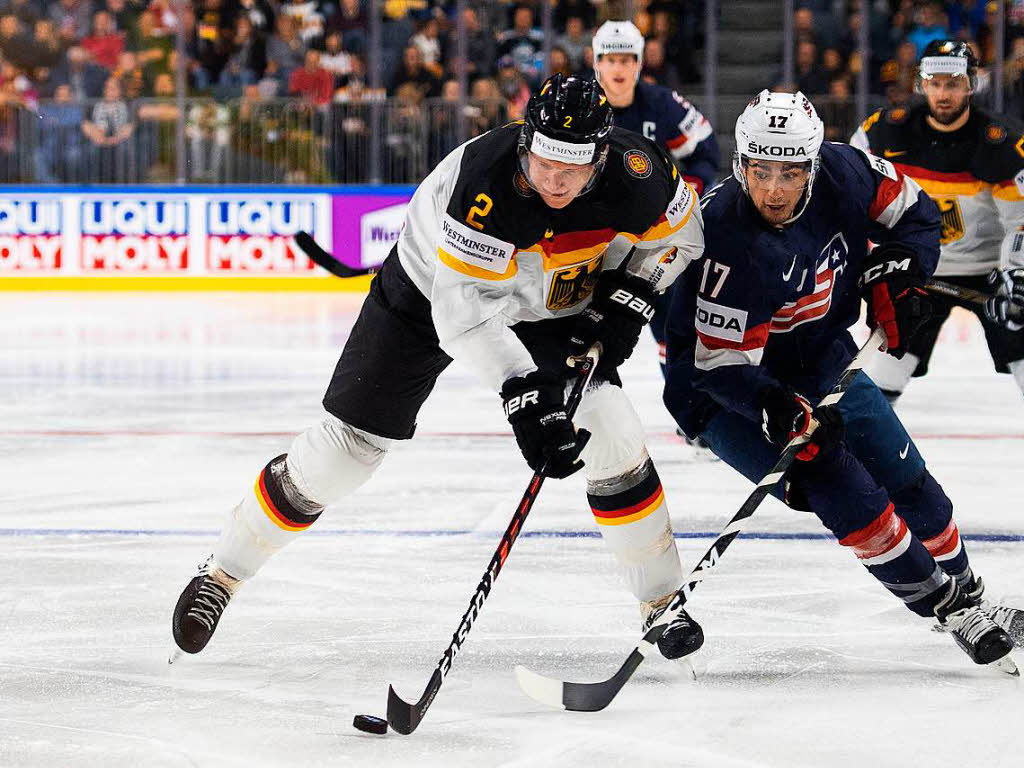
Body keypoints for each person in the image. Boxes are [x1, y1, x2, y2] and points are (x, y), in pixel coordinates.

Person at [171, 75, 708, 665]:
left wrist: (624, 307)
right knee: (341, 454)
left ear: (601, 159)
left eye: (571, 169)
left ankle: (661, 600)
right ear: (526, 138)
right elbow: (464, 317)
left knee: (611, 429)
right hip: (432, 291)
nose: (553, 181)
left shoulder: (640, 173)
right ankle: (223, 572)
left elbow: (681, 240)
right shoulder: (483, 185)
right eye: (543, 160)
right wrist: (527, 398)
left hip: (556, 301)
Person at [663, 89, 1023, 670]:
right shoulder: (724, 238)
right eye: (760, 170)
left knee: (909, 480)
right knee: (834, 481)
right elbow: (720, 365)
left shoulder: (848, 171)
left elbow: (916, 213)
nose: (773, 189)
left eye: (789, 172)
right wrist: (777, 408)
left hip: (823, 357)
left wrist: (903, 271)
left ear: (813, 164)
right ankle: (949, 608)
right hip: (720, 390)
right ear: (741, 164)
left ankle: (969, 591)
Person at [850, 41, 1024, 403]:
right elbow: (854, 199)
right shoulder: (883, 133)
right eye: (935, 82)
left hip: (991, 270)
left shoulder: (1002, 143)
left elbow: (1020, 221)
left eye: (953, 83)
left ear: (971, 85)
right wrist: (874, 253)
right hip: (917, 265)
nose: (943, 93)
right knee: (886, 372)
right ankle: (864, 451)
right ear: (921, 84)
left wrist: (1017, 274)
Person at [591, 20, 720, 449]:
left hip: (655, 241)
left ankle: (691, 411)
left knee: (672, 329)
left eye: (626, 58)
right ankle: (589, 412)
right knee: (590, 331)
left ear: (639, 62)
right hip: (594, 244)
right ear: (597, 64)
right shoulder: (582, 107)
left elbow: (705, 151)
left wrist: (686, 195)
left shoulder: (662, 105)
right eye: (610, 58)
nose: (618, 68)